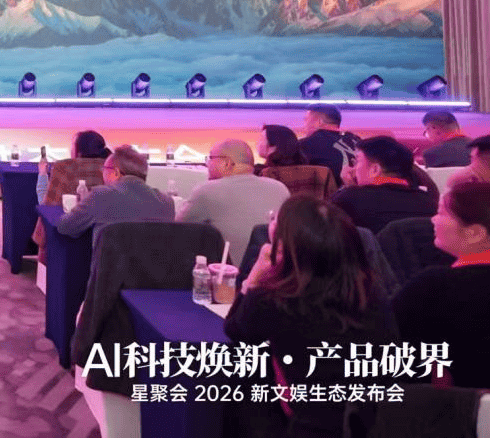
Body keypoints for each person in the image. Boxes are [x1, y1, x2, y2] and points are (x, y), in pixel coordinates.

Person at [225, 196, 396, 437]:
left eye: (276, 222)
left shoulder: (275, 297)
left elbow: (236, 330)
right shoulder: (369, 291)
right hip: (374, 422)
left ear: (286, 244)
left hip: (308, 425)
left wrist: (256, 276)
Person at [393, 179, 490, 389]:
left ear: (475, 233)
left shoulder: (433, 287)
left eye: (441, 213)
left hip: (459, 405)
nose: (433, 220)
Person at [179, 139, 289, 263]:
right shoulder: (280, 188)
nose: (207, 164)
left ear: (227, 163)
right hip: (276, 271)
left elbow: (178, 229)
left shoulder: (206, 191)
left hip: (227, 273)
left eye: (210, 158)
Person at [56, 145, 174, 238]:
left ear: (116, 172)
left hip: (110, 262)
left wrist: (81, 205)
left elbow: (65, 227)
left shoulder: (100, 196)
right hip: (153, 263)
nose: (102, 172)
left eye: (104, 169)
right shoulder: (167, 202)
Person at [330, 135, 437, 233]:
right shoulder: (430, 202)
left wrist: (347, 189)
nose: (353, 169)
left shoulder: (349, 199)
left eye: (357, 162)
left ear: (375, 169)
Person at [34, 131, 111, 260]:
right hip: (104, 242)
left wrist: (42, 175)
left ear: (78, 150)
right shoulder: (110, 168)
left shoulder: (64, 167)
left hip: (65, 238)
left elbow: (49, 206)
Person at [258, 124, 336, 200]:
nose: (257, 143)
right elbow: (333, 204)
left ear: (273, 146)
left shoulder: (265, 174)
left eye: (261, 139)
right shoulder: (323, 173)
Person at [299, 105, 360, 185]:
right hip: (363, 191)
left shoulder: (306, 144)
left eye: (306, 120)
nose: (304, 126)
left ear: (318, 121)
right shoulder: (357, 141)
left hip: (329, 192)